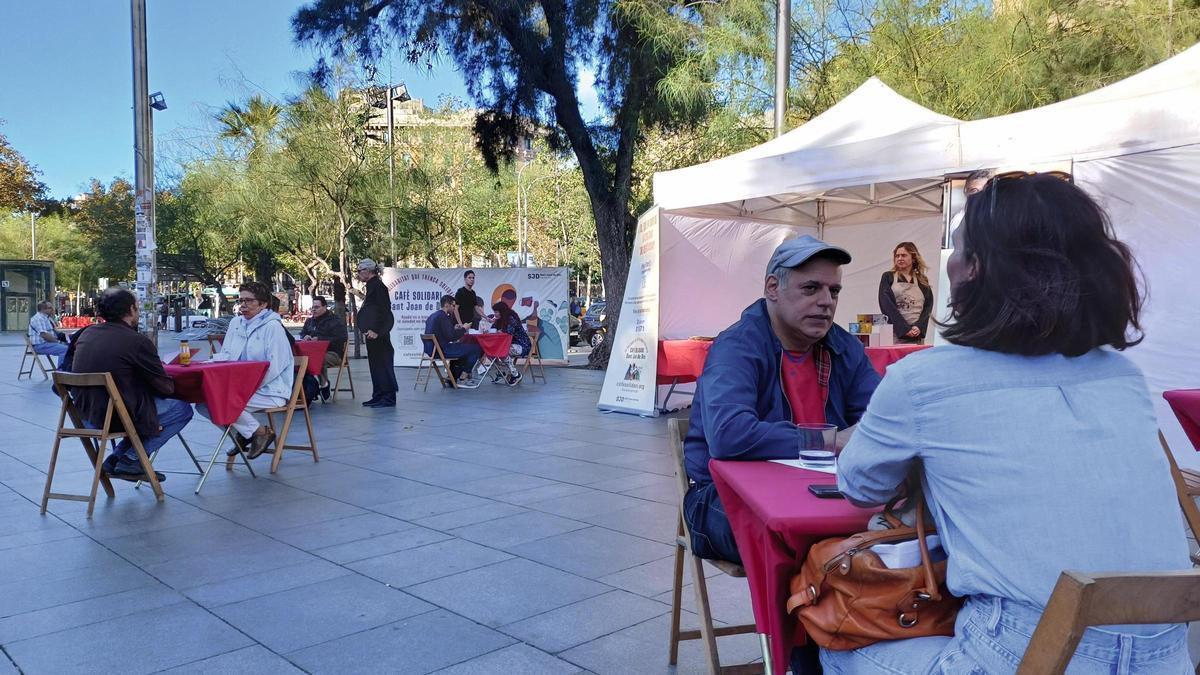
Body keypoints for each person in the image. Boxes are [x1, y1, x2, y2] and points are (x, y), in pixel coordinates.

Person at [823, 173, 1192, 674]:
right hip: (1167, 655)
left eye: (956, 249)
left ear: (974, 269)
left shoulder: (922, 379)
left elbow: (860, 487)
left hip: (1019, 651)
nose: (948, 261)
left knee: (832, 635)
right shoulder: (1121, 376)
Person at [683, 235, 882, 565]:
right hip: (722, 496)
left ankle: (844, 611)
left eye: (834, 291)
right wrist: (831, 440)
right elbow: (729, 436)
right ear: (772, 288)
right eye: (811, 288)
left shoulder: (845, 349)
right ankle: (808, 614)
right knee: (802, 542)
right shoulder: (737, 347)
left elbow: (883, 421)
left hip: (822, 489)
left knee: (904, 523)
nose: (826, 301)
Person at [70, 288, 193, 481]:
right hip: (114, 416)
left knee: (145, 411)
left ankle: (116, 459)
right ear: (131, 309)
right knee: (180, 409)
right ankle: (130, 459)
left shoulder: (86, 333)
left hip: (84, 414)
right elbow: (165, 388)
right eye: (137, 307)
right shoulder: (136, 341)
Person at [196, 281, 294, 459]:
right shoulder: (236, 323)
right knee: (203, 403)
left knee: (221, 400)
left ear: (263, 304)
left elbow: (276, 366)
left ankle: (260, 433)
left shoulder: (273, 327)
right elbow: (227, 354)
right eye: (241, 301)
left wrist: (249, 386)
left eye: (249, 301)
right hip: (238, 386)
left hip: (269, 389)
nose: (243, 305)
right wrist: (210, 362)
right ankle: (245, 434)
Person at [356, 259, 398, 407]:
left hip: (378, 334)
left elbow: (384, 311)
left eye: (360, 270)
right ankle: (378, 394)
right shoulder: (371, 286)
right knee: (375, 365)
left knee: (383, 364)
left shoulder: (378, 287)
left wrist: (377, 331)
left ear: (369, 270)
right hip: (372, 334)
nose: (358, 273)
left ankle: (388, 397)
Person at [878, 242, 934, 344]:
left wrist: (919, 327)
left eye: (903, 255)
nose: (899, 258)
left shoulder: (922, 280)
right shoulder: (888, 277)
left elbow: (928, 307)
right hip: (896, 334)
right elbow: (887, 305)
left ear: (913, 258)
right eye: (897, 256)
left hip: (916, 335)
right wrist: (904, 329)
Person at [424, 295, 483, 388]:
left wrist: (454, 328)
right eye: (453, 305)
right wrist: (464, 328)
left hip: (431, 350)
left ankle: (453, 377)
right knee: (476, 348)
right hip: (442, 350)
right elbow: (451, 337)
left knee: (462, 347)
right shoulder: (443, 317)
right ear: (447, 305)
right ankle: (466, 374)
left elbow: (443, 333)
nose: (455, 308)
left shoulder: (433, 316)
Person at [299, 295, 348, 401]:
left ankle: (324, 384)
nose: (313, 310)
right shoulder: (309, 321)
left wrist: (320, 339)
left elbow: (341, 337)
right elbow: (302, 333)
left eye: (316, 307)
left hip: (333, 353)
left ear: (325, 307)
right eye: (312, 307)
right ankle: (309, 389)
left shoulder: (334, 321)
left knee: (317, 359)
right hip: (311, 352)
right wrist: (305, 337)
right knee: (300, 360)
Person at [490, 301, 530, 386]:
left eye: (496, 312)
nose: (495, 314)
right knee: (489, 351)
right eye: (495, 312)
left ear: (502, 311)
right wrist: (493, 324)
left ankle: (516, 374)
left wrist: (499, 331)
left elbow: (509, 333)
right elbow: (492, 330)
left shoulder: (511, 318)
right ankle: (501, 372)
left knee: (502, 350)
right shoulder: (500, 320)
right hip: (508, 345)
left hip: (521, 345)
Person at [28, 301, 68, 368]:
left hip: (48, 343)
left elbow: (55, 331)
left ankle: (69, 369)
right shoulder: (38, 319)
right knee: (66, 350)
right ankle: (61, 372)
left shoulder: (47, 318)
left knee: (72, 347)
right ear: (43, 309)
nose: (52, 309)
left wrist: (67, 338)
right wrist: (58, 342)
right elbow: (44, 335)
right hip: (40, 345)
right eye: (50, 308)